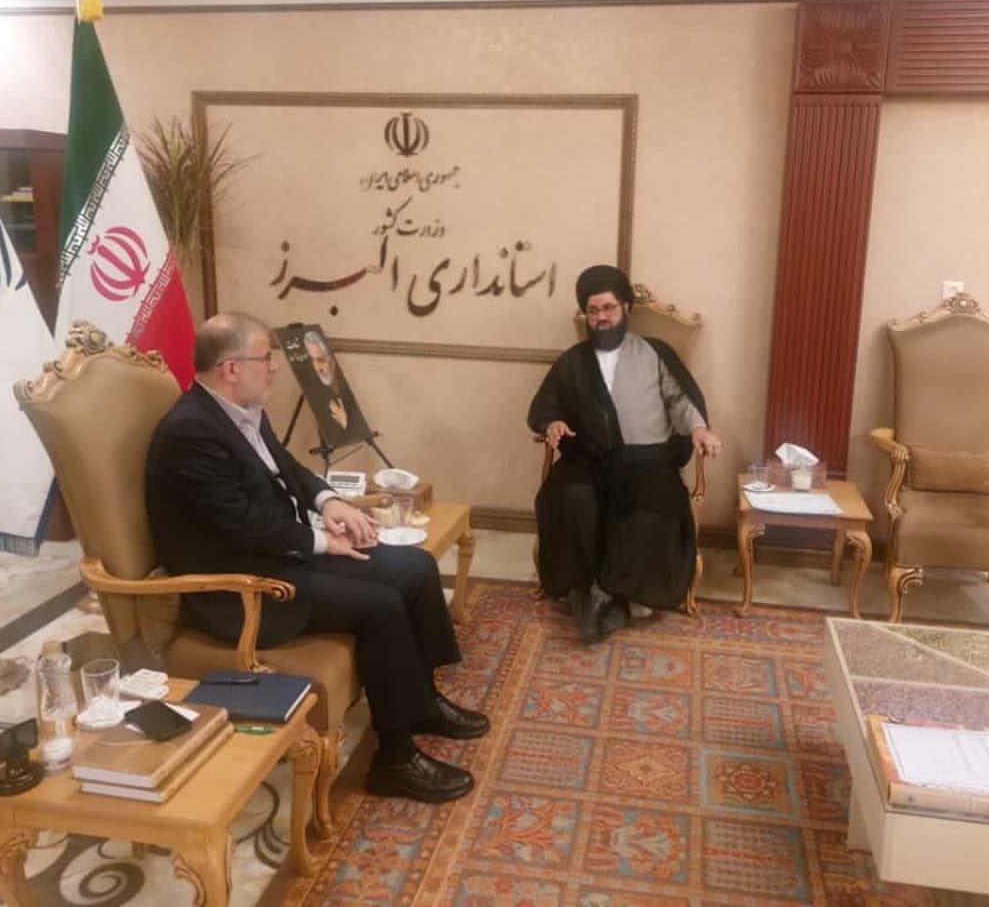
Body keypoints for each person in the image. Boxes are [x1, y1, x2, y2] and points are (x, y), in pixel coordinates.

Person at [146, 312, 487, 804]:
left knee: (414, 568)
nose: (274, 368)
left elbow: (286, 468)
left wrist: (331, 503)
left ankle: (422, 703)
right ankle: (394, 761)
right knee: (380, 606)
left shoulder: (239, 408)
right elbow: (243, 525)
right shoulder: (190, 434)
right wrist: (323, 542)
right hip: (241, 585)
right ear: (231, 368)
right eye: (266, 358)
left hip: (279, 552)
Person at [528, 264, 722, 642]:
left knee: (651, 509)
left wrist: (698, 428)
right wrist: (552, 424)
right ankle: (585, 588)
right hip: (588, 460)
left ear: (626, 308)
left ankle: (619, 597)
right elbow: (546, 405)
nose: (601, 317)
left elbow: (679, 400)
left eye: (608, 308)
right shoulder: (573, 360)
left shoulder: (655, 352)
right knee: (569, 497)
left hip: (647, 463)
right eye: (593, 311)